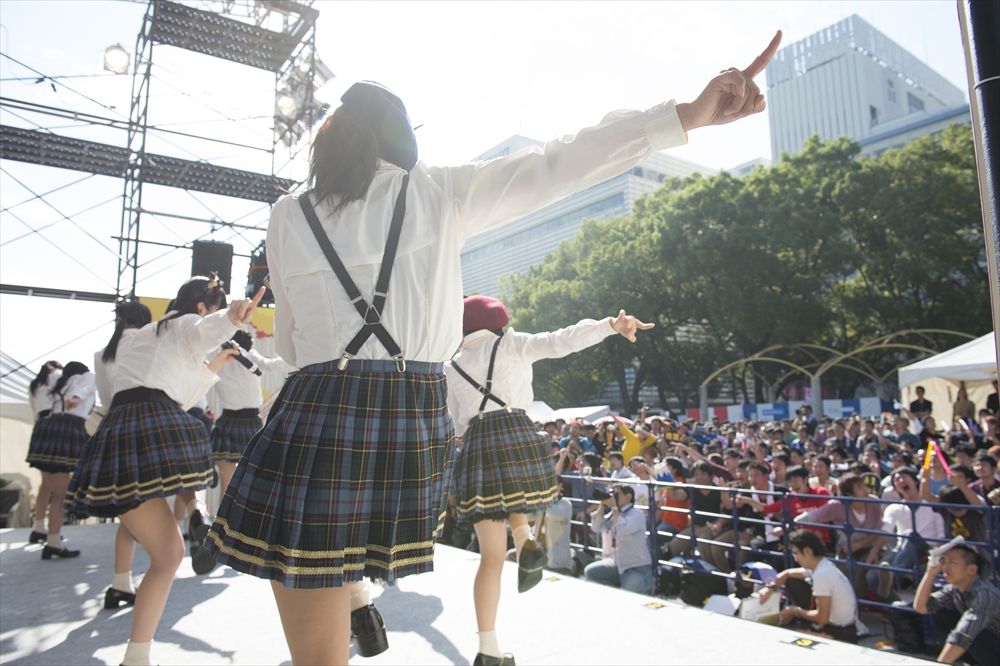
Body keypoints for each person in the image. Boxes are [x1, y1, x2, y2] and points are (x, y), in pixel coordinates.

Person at [205, 32, 781, 663]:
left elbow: (291, 345)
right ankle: (363, 597)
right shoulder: (436, 191)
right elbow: (558, 163)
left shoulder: (288, 213)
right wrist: (687, 115)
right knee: (354, 550)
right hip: (405, 419)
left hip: (312, 411)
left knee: (311, 598)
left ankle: (357, 601)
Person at [443, 295, 652, 664]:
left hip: (477, 444)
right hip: (518, 435)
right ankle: (525, 540)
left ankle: (487, 650)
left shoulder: (452, 366)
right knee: (516, 489)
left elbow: (457, 422)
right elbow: (561, 340)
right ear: (496, 321)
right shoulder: (512, 344)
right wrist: (609, 326)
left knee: (490, 558)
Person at [65, 276, 256, 666]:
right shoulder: (185, 323)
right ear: (201, 307)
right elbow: (203, 332)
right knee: (192, 476)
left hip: (118, 434)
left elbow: (165, 389)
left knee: (169, 554)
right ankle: (196, 512)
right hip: (156, 425)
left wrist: (213, 363)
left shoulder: (142, 337)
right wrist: (232, 318)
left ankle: (137, 655)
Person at [93, 300, 152, 609]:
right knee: (168, 549)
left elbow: (105, 399)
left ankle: (120, 582)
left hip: (112, 429)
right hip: (143, 429)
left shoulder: (102, 354)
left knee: (128, 512)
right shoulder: (145, 342)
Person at [25, 361, 96, 559]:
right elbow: (87, 385)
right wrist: (77, 398)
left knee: (53, 489)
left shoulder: (59, 384)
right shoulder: (85, 378)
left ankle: (48, 534)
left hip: (47, 427)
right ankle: (54, 539)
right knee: (62, 492)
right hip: (67, 429)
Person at [210, 329, 293, 496]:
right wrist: (302, 361)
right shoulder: (250, 356)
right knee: (254, 480)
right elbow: (271, 365)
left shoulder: (219, 361)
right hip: (251, 421)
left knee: (226, 488)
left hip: (227, 421)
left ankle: (222, 513)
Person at [758, 529, 859, 644]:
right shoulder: (823, 565)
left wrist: (795, 611)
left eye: (796, 554)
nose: (795, 559)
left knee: (784, 636)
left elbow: (822, 618)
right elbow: (787, 574)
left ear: (807, 551)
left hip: (838, 632)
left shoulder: (822, 575)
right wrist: (770, 588)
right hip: (844, 627)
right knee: (791, 580)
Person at [867, 468, 945, 603]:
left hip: (929, 550)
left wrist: (936, 551)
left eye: (904, 477)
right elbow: (886, 530)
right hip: (903, 551)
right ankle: (895, 608)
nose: (901, 481)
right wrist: (874, 551)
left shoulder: (932, 505)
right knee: (872, 576)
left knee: (911, 535)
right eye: (897, 480)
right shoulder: (894, 508)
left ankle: (894, 578)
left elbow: (941, 536)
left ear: (915, 481)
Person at [914, 545, 1000, 665]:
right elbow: (921, 607)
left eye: (952, 562)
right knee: (940, 615)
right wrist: (930, 573)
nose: (945, 567)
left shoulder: (986, 594)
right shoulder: (954, 589)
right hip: (985, 643)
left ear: (972, 570)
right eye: (944, 562)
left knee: (972, 632)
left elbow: (964, 635)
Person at [584, 484, 653, 594]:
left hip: (636, 568)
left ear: (628, 497)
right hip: (617, 564)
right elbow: (596, 527)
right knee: (591, 573)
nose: (614, 496)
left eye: (617, 494)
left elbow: (623, 530)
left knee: (629, 596)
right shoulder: (615, 514)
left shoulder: (637, 514)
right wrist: (602, 504)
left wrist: (614, 507)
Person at [25, 360, 62, 545]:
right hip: (54, 425)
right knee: (60, 487)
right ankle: (53, 535)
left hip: (39, 427)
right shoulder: (57, 377)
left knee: (46, 483)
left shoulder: (34, 385)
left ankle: (39, 527)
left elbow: (34, 410)